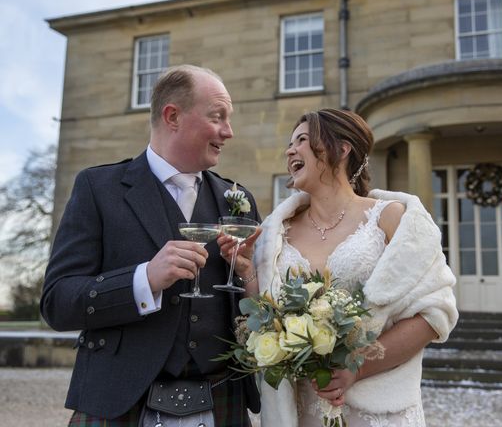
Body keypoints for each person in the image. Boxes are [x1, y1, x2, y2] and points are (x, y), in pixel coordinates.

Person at [40, 65, 261, 426]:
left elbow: (260, 308)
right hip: (119, 402)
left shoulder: (237, 200)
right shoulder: (99, 189)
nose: (229, 132)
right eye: (218, 117)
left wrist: (251, 276)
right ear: (172, 116)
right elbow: (58, 303)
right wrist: (144, 280)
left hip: (224, 400)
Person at [253, 108, 458, 426]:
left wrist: (356, 365)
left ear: (342, 148)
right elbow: (265, 314)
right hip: (302, 408)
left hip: (375, 410)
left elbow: (436, 313)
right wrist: (245, 271)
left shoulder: (390, 218)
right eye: (290, 143)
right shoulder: (276, 233)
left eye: (302, 140)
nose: (289, 150)